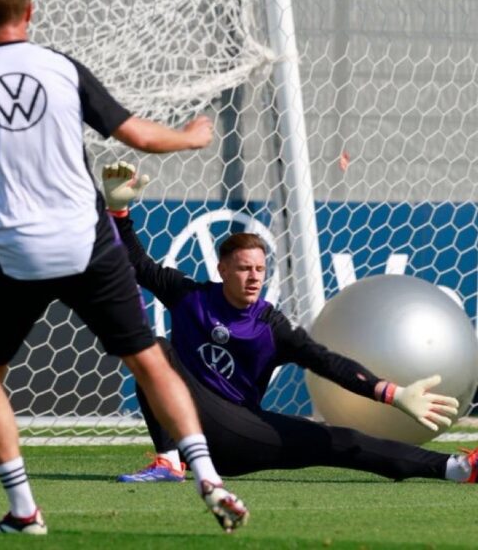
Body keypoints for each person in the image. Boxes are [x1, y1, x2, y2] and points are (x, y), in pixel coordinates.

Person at [0, 0, 248, 535]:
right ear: (32, 13)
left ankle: (24, 510)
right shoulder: (62, 69)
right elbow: (140, 137)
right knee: (149, 359)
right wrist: (193, 137)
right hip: (87, 243)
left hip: (15, 251)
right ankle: (207, 477)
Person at [101, 161, 478, 487]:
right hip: (186, 426)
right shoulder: (190, 296)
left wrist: (393, 394)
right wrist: (118, 211)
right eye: (244, 268)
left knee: (342, 442)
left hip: (237, 435)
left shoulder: (271, 325)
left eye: (260, 270)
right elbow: (137, 264)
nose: (254, 277)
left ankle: (456, 469)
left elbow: (327, 363)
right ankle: (168, 462)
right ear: (222, 270)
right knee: (157, 350)